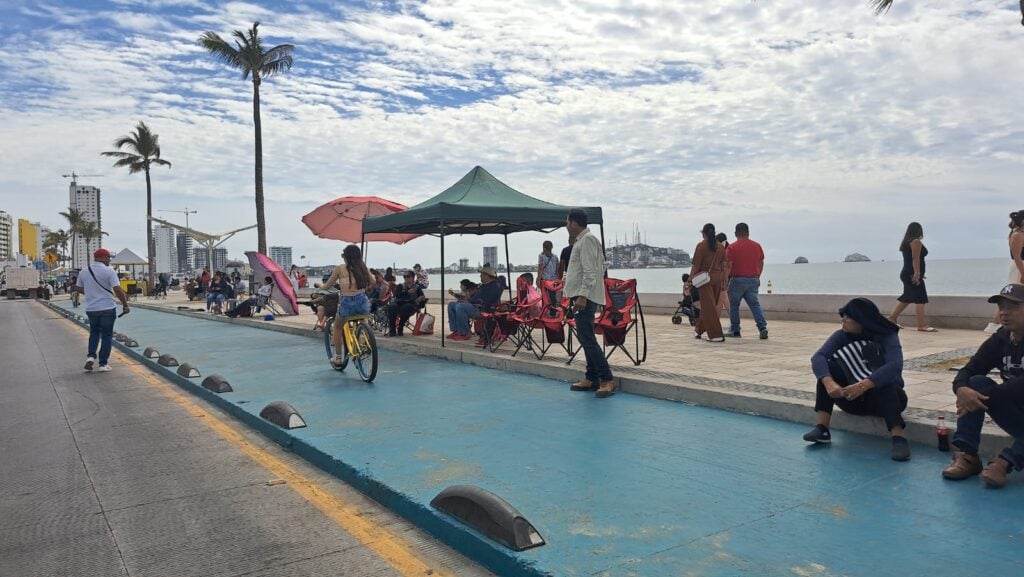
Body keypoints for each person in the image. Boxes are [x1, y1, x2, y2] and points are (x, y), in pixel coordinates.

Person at [803, 298, 910, 461]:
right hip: (852, 399)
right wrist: (829, 382)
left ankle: (899, 438)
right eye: (843, 317)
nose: (843, 321)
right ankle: (822, 429)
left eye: (848, 317)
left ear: (862, 320)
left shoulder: (886, 335)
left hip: (886, 400)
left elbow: (895, 365)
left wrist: (864, 385)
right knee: (827, 370)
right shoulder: (842, 336)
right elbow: (818, 357)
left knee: (885, 382)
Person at [941, 283, 1024, 488]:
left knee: (978, 390)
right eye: (1001, 307)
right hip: (1016, 413)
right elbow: (969, 369)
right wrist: (962, 390)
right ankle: (968, 455)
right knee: (974, 382)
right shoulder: (1001, 339)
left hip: (1012, 401)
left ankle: (1005, 462)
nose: (1004, 313)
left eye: (1012, 307)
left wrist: (978, 397)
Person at [565, 208, 615, 398]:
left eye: (567, 222)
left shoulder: (588, 240)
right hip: (580, 295)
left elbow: (591, 270)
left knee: (588, 339)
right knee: (585, 338)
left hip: (584, 297)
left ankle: (606, 378)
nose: (566, 225)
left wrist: (583, 295)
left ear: (574, 223)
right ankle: (591, 376)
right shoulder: (583, 241)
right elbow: (600, 266)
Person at [74, 248, 130, 373]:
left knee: (94, 333)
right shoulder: (109, 271)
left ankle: (90, 356)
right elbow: (117, 289)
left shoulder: (84, 271)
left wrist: (90, 293)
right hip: (107, 308)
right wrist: (125, 305)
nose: (109, 260)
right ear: (103, 257)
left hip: (92, 309)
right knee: (107, 335)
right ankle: (103, 364)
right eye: (108, 258)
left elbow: (78, 288)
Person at [324, 245, 373, 368]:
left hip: (347, 303)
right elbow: (373, 282)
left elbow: (327, 286)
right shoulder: (363, 267)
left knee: (337, 327)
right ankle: (363, 340)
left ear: (346, 257)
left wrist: (319, 286)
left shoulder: (340, 269)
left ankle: (339, 358)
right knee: (362, 318)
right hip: (362, 302)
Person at [886, 222, 936, 332]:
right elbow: (915, 259)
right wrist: (917, 274)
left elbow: (911, 259)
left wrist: (919, 273)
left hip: (907, 273)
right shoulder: (916, 241)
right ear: (918, 231)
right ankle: (921, 325)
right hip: (911, 274)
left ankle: (891, 319)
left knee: (906, 298)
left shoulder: (906, 242)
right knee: (921, 299)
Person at [725, 222, 768, 339]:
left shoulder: (731, 247)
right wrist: (758, 275)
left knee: (734, 306)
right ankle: (762, 327)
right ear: (748, 233)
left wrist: (725, 280)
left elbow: (728, 265)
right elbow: (761, 262)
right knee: (754, 304)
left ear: (735, 233)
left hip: (737, 280)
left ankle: (735, 330)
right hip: (753, 279)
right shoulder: (757, 246)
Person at [986, 211, 1024, 333]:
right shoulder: (1017, 235)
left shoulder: (1020, 234)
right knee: (1012, 297)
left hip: (1020, 266)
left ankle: (995, 325)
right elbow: (1017, 257)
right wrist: (1023, 273)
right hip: (1019, 267)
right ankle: (993, 326)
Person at [690, 223, 727, 342]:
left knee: (709, 307)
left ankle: (716, 335)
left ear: (703, 233)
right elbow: (724, 265)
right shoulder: (721, 247)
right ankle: (699, 329)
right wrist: (724, 280)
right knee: (709, 306)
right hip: (718, 278)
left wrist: (689, 280)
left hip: (705, 279)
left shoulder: (701, 246)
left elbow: (696, 266)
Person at [446, 266, 502, 341]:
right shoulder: (483, 286)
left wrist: (470, 302)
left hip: (483, 309)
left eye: (481, 275)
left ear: (487, 275)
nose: (480, 276)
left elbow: (488, 301)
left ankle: (464, 333)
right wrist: (467, 300)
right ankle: (456, 330)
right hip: (474, 306)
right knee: (451, 305)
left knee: (460, 307)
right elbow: (475, 297)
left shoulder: (494, 287)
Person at [387, 270, 426, 336]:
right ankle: (392, 330)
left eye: (408, 276)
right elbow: (397, 295)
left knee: (407, 307)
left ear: (413, 277)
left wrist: (420, 298)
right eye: (404, 276)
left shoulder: (417, 287)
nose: (406, 278)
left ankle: (400, 327)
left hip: (411, 305)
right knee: (391, 306)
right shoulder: (400, 286)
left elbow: (422, 296)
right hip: (400, 304)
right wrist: (407, 292)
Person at [715, 233, 730, 317]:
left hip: (724, 279)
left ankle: (734, 321)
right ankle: (716, 321)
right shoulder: (726, 248)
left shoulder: (726, 250)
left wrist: (725, 280)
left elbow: (726, 267)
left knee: (723, 299)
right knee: (721, 300)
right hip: (725, 279)